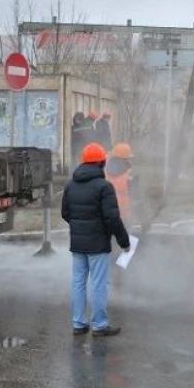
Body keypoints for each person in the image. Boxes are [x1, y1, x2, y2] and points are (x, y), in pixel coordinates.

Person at [62, 142, 130, 337]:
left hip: (77, 244)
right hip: (98, 244)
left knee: (78, 283)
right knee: (99, 284)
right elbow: (112, 218)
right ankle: (99, 325)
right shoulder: (104, 187)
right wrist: (124, 242)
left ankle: (78, 324)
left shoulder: (70, 185)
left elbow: (65, 213)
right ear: (102, 163)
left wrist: (79, 226)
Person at [104, 142, 148, 232]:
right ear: (126, 159)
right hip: (123, 218)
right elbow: (137, 200)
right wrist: (144, 221)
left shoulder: (103, 171)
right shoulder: (129, 176)